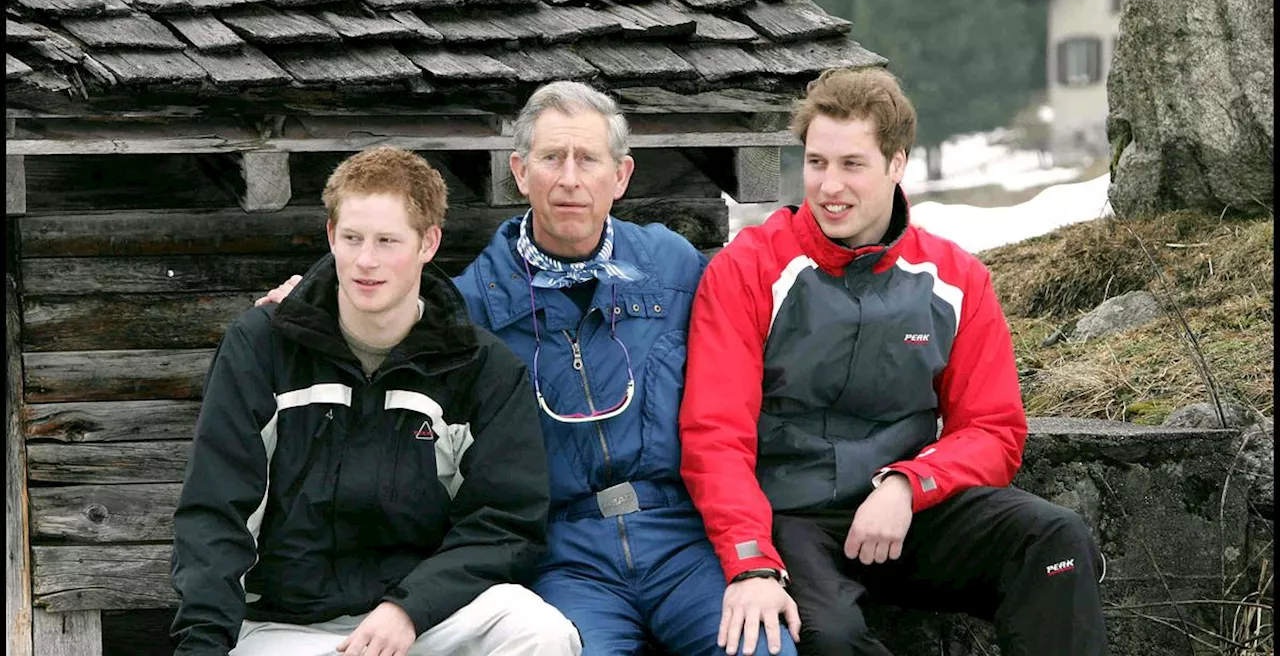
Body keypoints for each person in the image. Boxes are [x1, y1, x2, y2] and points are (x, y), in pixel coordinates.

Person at [257, 82, 798, 656]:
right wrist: (314, 294)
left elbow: (768, 273)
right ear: (519, 172)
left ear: (621, 175)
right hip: (564, 553)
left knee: (761, 646)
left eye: (588, 159)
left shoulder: (673, 267)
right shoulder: (469, 309)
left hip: (682, 539)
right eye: (550, 158)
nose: (569, 178)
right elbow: (379, 301)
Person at [678, 66, 1110, 655]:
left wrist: (910, 484)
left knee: (1054, 539)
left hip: (906, 512)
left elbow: (993, 429)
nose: (830, 186)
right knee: (828, 639)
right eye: (816, 163)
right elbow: (715, 436)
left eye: (852, 164)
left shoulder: (956, 280)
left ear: (896, 164)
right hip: (793, 519)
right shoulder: (747, 270)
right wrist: (750, 556)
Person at [171, 146, 580, 656]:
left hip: (425, 616)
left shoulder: (481, 367)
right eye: (352, 238)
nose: (366, 260)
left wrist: (410, 607)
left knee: (541, 634)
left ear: (428, 242)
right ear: (330, 236)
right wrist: (203, 644)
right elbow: (216, 511)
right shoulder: (262, 346)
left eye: (388, 241)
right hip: (286, 627)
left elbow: (504, 522)